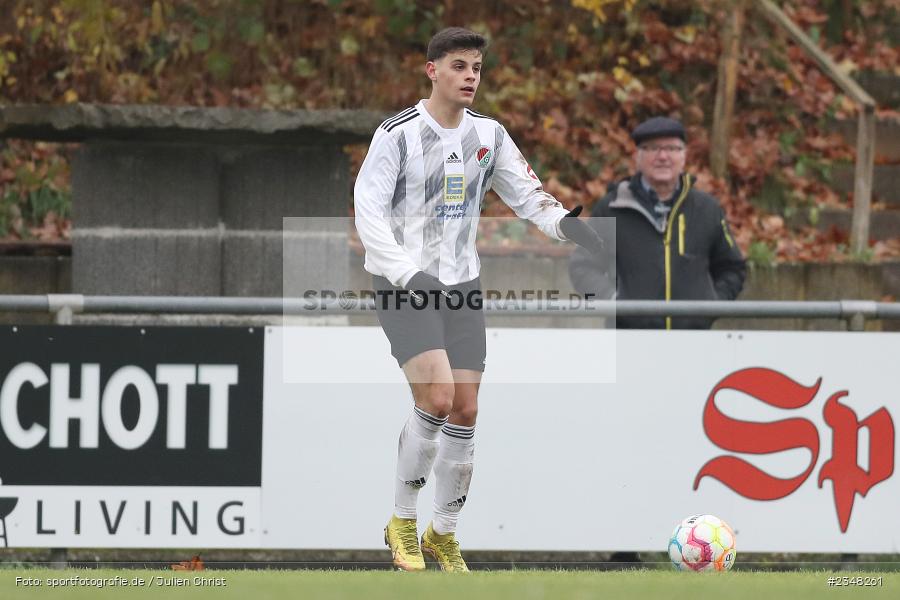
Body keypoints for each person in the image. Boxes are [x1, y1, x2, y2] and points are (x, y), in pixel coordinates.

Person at [353, 27, 604, 572]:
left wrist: (567, 226)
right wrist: (405, 272)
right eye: (460, 66)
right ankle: (401, 522)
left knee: (465, 409)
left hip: (462, 286)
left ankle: (442, 534)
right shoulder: (396, 135)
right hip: (405, 284)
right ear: (433, 70)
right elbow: (368, 212)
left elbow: (525, 193)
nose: (470, 77)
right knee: (438, 397)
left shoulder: (488, 134)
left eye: (477, 68)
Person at [570, 116, 746, 330]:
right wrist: (613, 302)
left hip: (694, 344)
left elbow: (732, 268)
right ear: (638, 156)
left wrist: (713, 305)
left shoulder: (707, 209)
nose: (663, 156)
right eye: (653, 148)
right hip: (628, 343)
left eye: (672, 148)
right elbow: (583, 267)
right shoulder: (611, 208)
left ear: (684, 156)